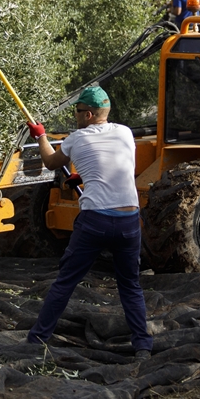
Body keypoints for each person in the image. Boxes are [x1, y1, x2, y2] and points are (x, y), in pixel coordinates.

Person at [24, 85, 153, 360]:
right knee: (130, 286)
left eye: (79, 112)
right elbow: (112, 166)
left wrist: (41, 135)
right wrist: (81, 177)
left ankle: (36, 340)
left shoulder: (76, 139)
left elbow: (49, 162)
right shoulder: (125, 133)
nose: (76, 116)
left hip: (95, 221)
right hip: (129, 222)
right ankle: (143, 346)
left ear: (90, 114)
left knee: (65, 283)